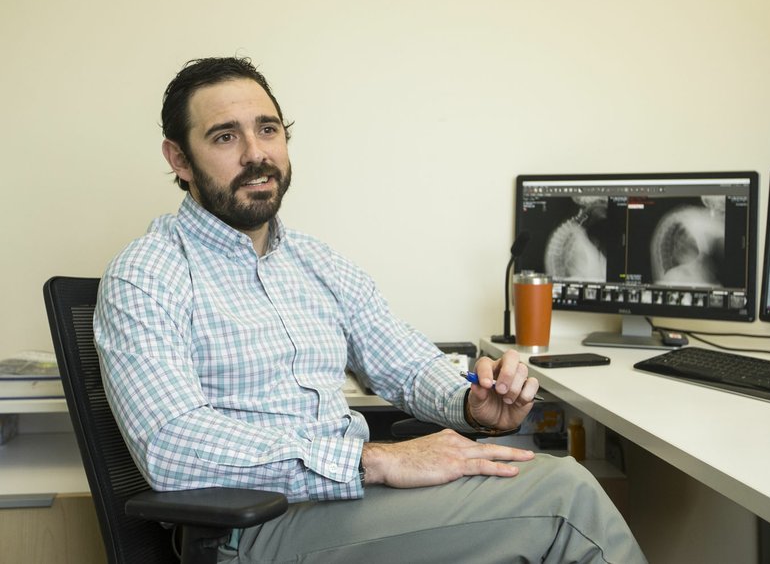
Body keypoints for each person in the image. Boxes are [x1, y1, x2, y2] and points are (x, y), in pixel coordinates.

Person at [93, 56, 647, 563]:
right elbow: (171, 446)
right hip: (253, 529)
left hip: (349, 503)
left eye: (268, 129)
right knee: (565, 498)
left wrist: (471, 404)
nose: (256, 153)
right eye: (223, 136)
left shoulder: (315, 262)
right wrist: (376, 460)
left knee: (547, 481)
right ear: (179, 159)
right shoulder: (148, 272)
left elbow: (405, 363)